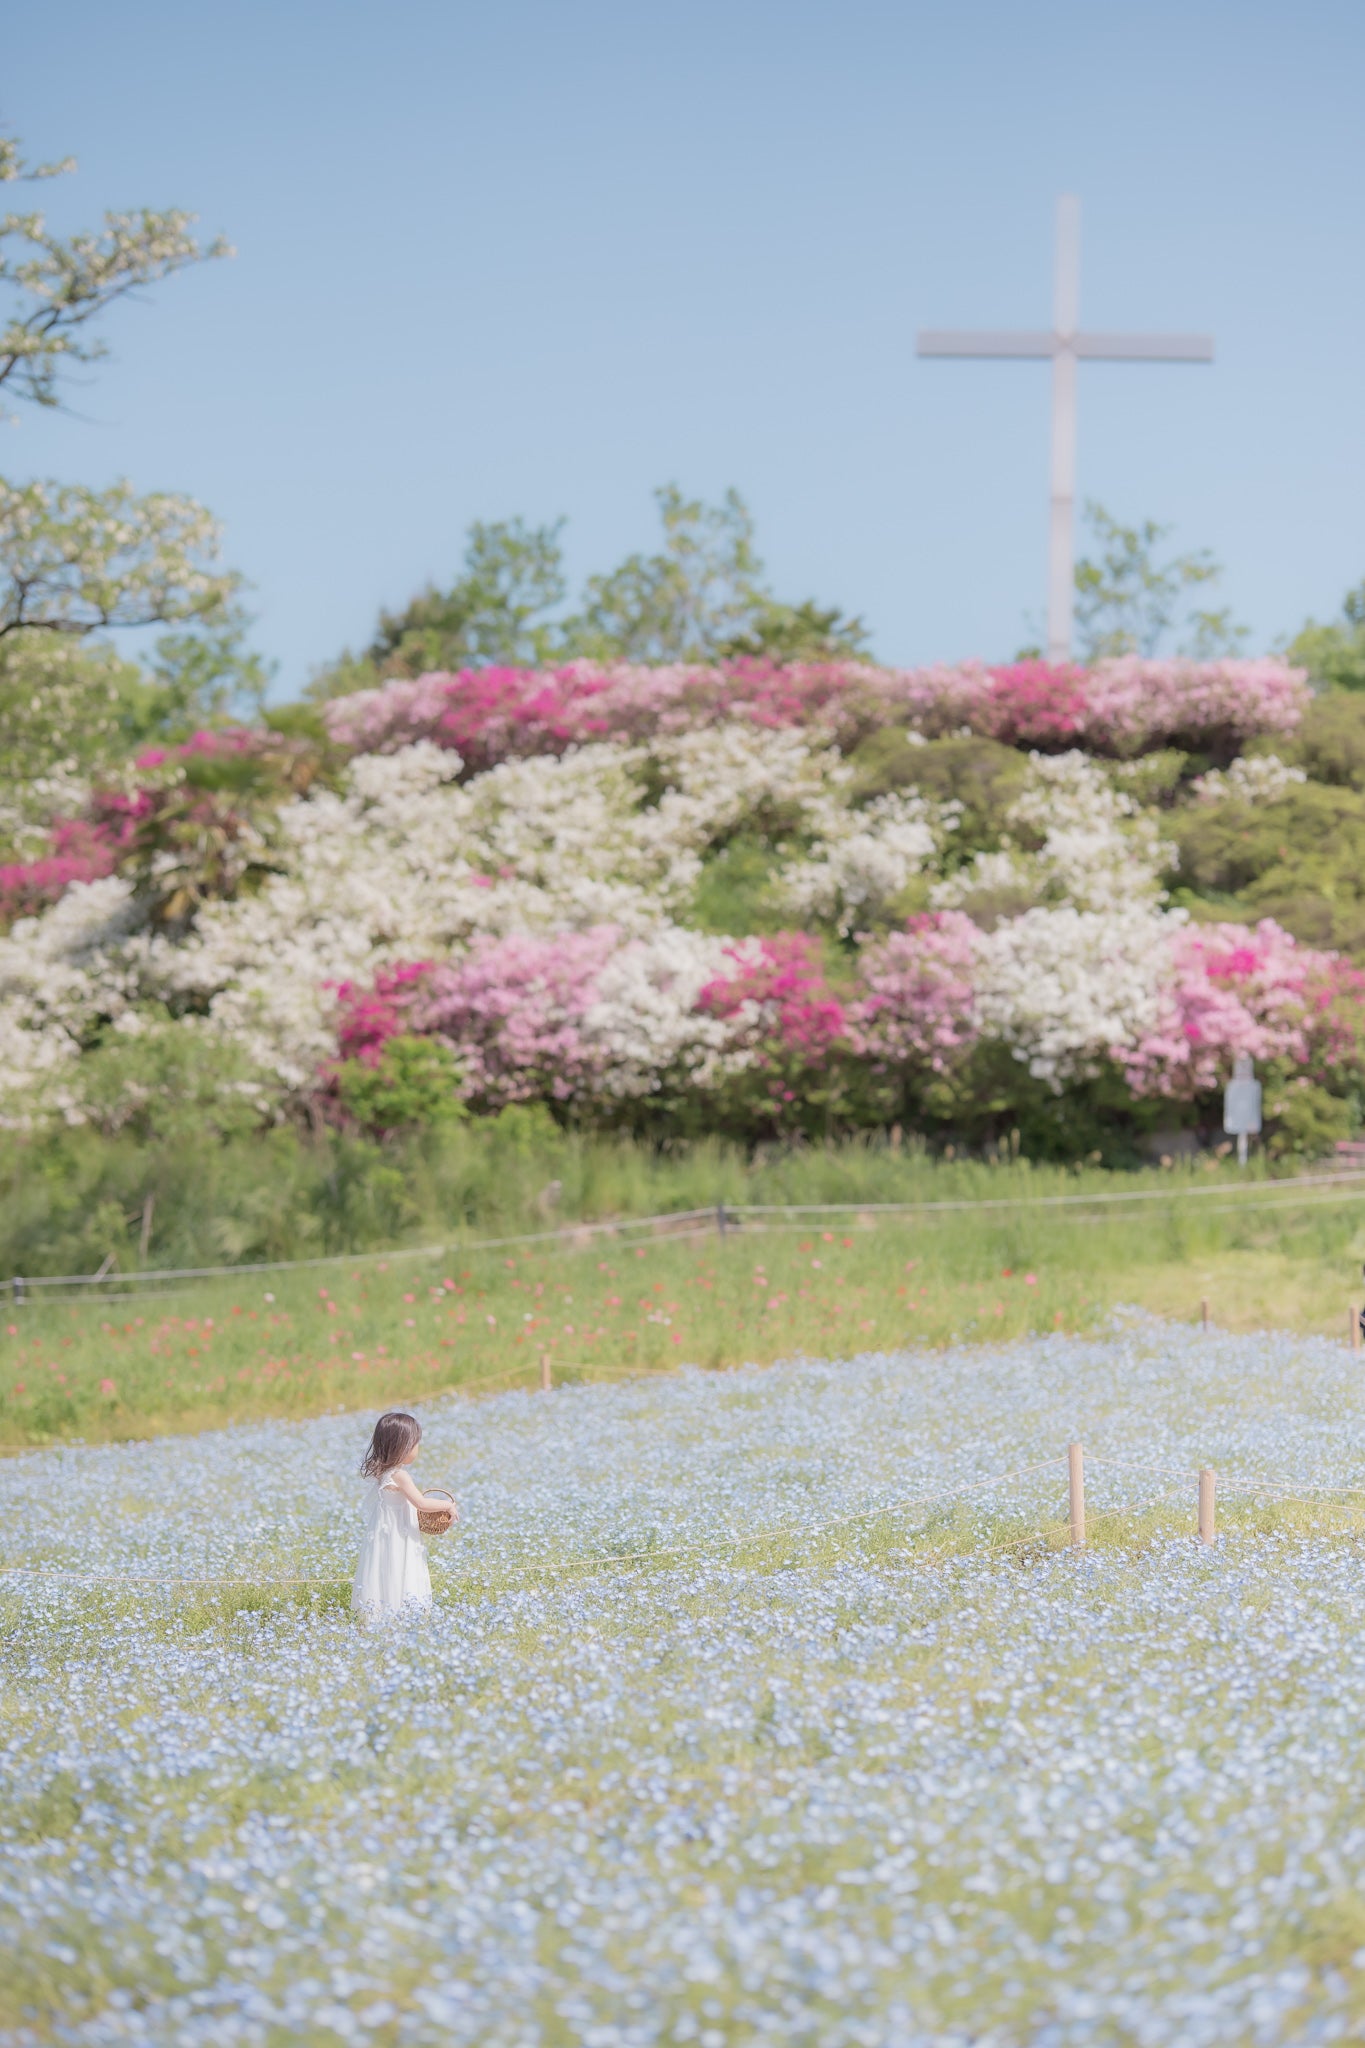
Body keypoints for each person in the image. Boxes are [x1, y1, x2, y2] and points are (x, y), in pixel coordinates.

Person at [351, 1409, 456, 1621]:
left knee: (386, 1568)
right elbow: (421, 1502)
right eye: (415, 1444)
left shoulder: (383, 1472)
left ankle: (382, 1614)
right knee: (402, 1568)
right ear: (403, 1446)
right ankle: (402, 1613)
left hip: (386, 1532)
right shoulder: (400, 1475)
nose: (418, 1449)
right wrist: (448, 1505)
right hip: (400, 1534)